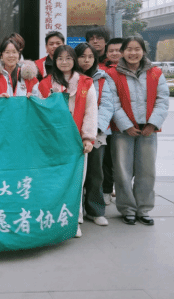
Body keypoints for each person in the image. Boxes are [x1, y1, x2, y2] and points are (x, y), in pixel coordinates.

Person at [106, 36, 169, 226]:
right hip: (123, 131)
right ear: (122, 52)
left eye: (137, 49)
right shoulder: (112, 74)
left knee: (147, 171)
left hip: (148, 130)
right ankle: (127, 209)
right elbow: (113, 102)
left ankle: (143, 209)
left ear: (143, 51)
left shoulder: (156, 73)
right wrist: (126, 125)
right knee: (122, 171)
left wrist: (152, 124)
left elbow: (163, 100)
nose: (133, 53)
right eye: (129, 49)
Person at [36, 45, 98, 238]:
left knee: (76, 182)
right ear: (54, 61)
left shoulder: (86, 83)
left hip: (77, 142)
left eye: (68, 58)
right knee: (54, 182)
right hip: (53, 142)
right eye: (60, 58)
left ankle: (74, 221)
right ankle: (53, 219)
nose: (64, 62)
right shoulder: (45, 84)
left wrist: (88, 137)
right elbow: (39, 112)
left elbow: (91, 112)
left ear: (74, 60)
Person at [75, 42, 114, 227]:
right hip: (73, 133)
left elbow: (107, 105)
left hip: (97, 134)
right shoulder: (71, 78)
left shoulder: (102, 78)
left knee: (95, 172)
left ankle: (95, 210)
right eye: (82, 56)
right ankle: (76, 211)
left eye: (90, 57)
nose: (86, 60)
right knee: (75, 174)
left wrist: (94, 129)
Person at [101, 37, 124, 204]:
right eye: (111, 51)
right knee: (108, 160)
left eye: (118, 50)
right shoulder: (103, 72)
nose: (115, 53)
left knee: (125, 162)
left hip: (129, 125)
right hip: (110, 124)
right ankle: (107, 190)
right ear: (106, 53)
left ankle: (123, 190)